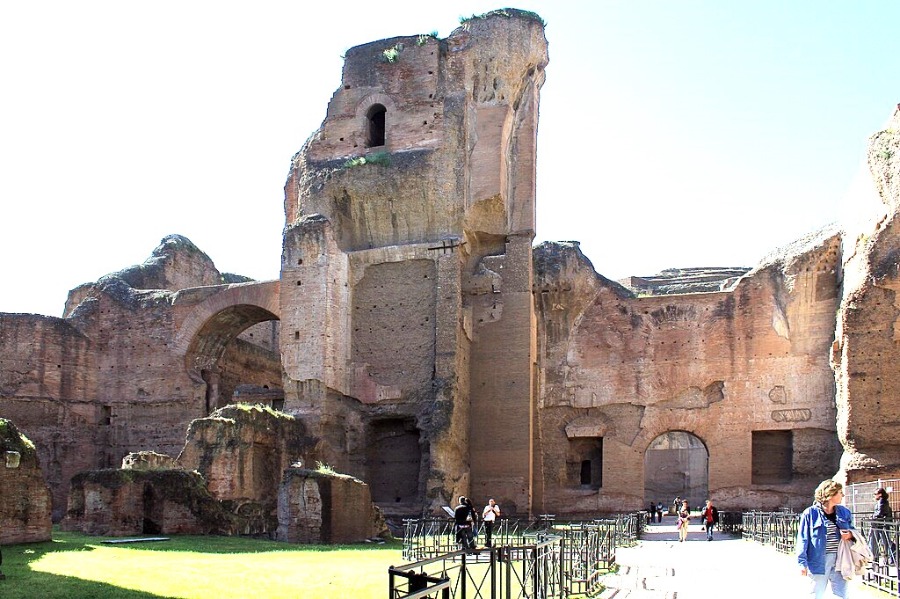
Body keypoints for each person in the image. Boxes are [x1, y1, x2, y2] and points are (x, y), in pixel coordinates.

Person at [797, 479, 855, 598]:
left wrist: (850, 535)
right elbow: (803, 539)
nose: (842, 495)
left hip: (840, 559)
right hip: (818, 560)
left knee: (841, 595)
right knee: (816, 595)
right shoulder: (810, 513)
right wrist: (802, 563)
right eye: (840, 492)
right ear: (830, 494)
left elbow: (854, 531)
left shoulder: (844, 512)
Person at [870, 487, 894, 564]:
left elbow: (880, 513)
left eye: (875, 494)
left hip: (881, 525)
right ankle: (883, 558)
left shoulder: (882, 502)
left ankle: (877, 558)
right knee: (884, 541)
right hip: (882, 524)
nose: (874, 496)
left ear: (880, 494)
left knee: (883, 541)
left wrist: (872, 517)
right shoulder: (883, 501)